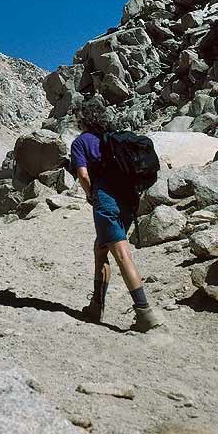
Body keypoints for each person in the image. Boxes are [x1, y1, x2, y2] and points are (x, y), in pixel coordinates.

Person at [69, 99, 163, 332]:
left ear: (82, 120)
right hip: (127, 200)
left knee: (121, 254)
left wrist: (92, 195)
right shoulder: (112, 139)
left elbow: (83, 175)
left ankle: (145, 313)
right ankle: (96, 306)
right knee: (101, 248)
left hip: (106, 200)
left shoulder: (80, 142)